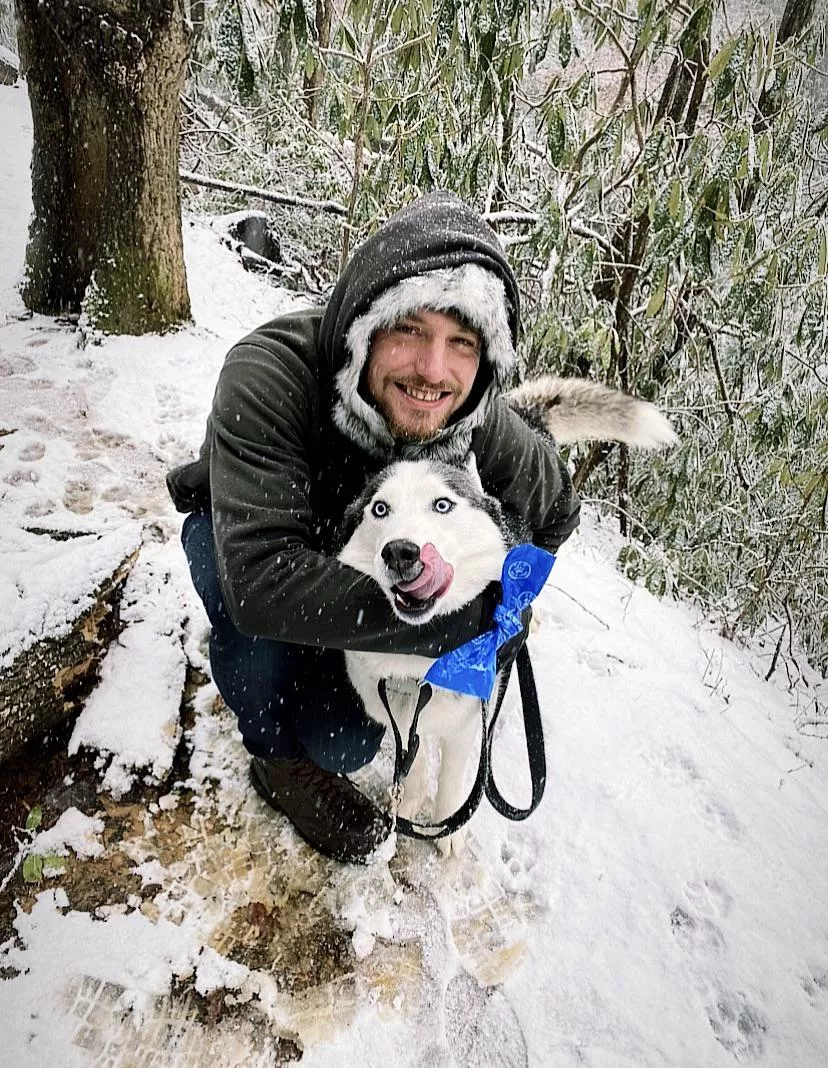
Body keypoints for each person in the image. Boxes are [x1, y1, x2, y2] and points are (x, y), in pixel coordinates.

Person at [167, 192, 580, 863]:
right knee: (254, 636)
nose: (432, 369)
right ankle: (273, 758)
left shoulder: (472, 411)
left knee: (347, 742)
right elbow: (262, 582)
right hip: (255, 543)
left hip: (365, 565)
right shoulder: (270, 372)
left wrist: (509, 605)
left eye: (462, 344)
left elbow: (557, 512)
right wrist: (459, 619)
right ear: (363, 324)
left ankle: (320, 715)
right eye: (409, 330)